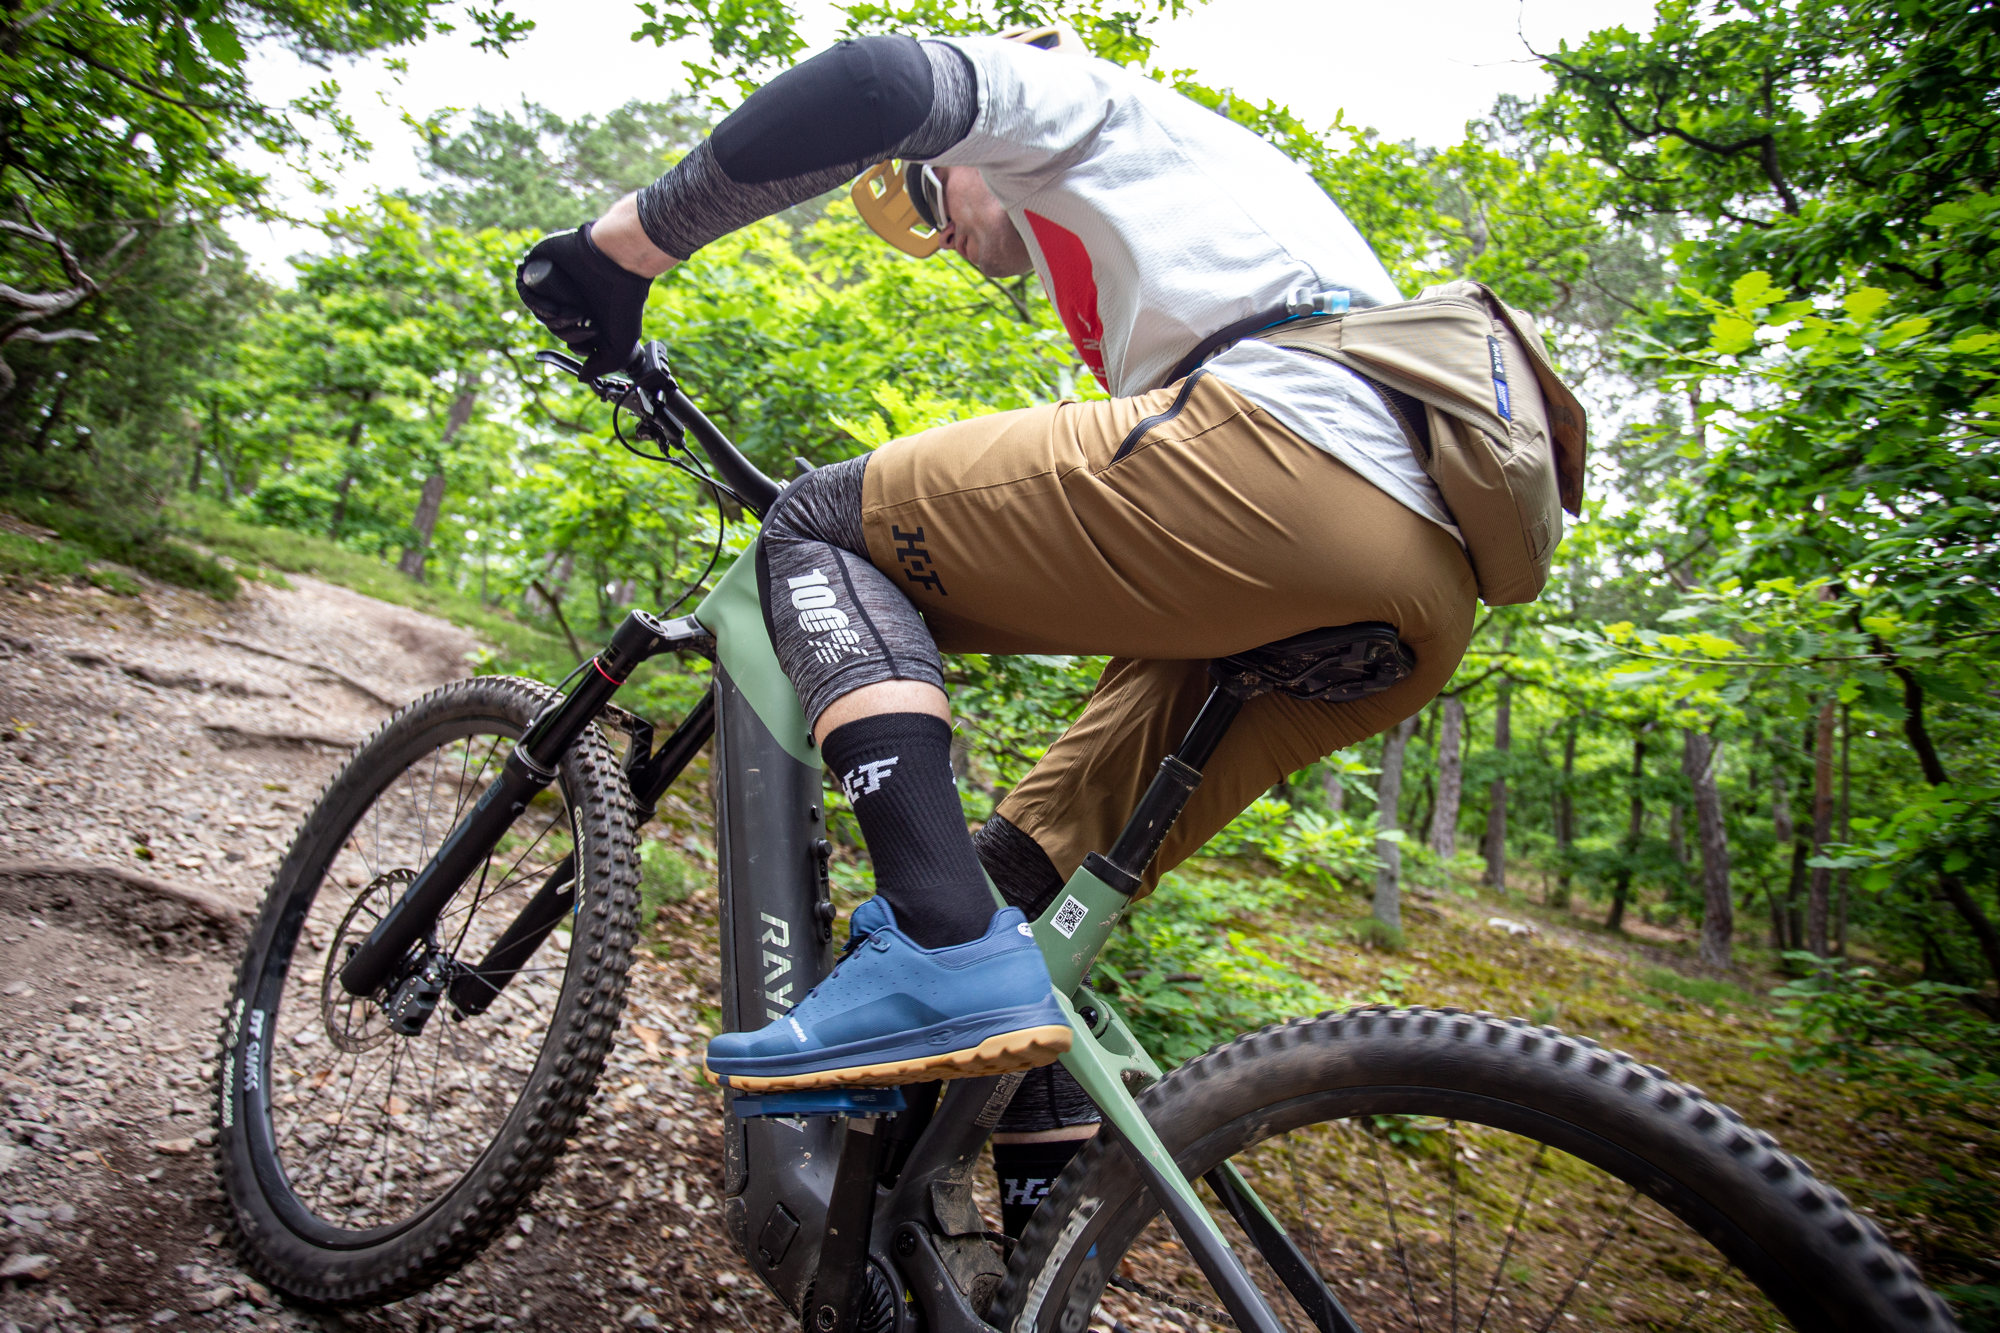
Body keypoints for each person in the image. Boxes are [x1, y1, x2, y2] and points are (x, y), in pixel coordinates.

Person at [516, 28, 1489, 1236]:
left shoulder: (1080, 98)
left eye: (930, 195)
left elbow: (873, 85)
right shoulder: (1209, 235)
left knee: (814, 527)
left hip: (1288, 467)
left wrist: (620, 252)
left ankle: (935, 938)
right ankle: (1030, 1256)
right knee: (1014, 892)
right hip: (1417, 586)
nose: (945, 237)